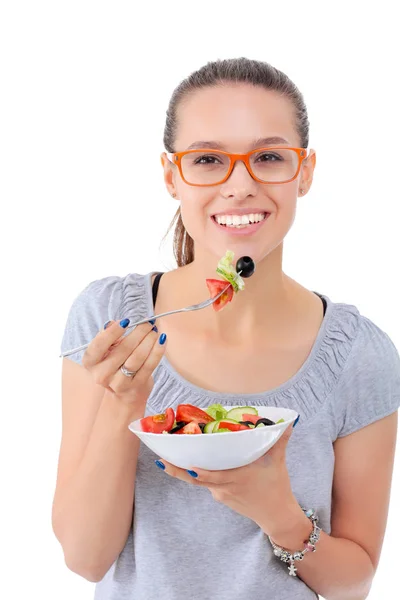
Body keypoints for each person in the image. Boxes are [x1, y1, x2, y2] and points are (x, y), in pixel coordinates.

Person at [52, 57, 400, 600]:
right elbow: (84, 557)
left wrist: (276, 510)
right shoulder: (108, 318)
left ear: (304, 172)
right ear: (172, 176)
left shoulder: (360, 354)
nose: (240, 185)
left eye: (268, 157)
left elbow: (354, 583)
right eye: (209, 159)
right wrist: (123, 402)